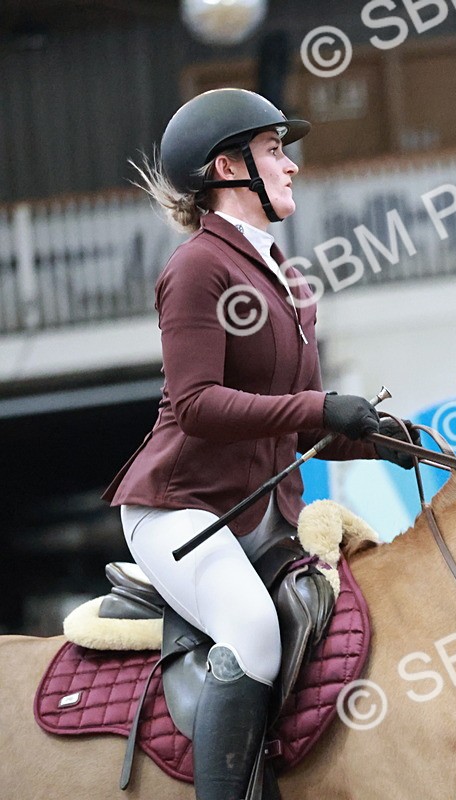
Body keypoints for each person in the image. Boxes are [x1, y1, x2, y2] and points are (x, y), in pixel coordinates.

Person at [102, 88, 415, 800]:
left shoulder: (292, 283)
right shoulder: (197, 269)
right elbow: (198, 405)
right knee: (252, 630)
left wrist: (379, 441)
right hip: (183, 509)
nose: (291, 165)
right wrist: (321, 404)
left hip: (260, 517)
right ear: (227, 167)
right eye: (275, 150)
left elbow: (298, 429)